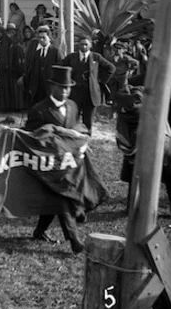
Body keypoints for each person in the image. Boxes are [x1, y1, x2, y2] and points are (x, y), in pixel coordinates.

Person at [23, 66, 86, 254]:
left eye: (68, 87)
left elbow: (77, 126)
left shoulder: (73, 106)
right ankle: (74, 239)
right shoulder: (39, 110)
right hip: (47, 166)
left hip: (69, 163)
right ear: (52, 87)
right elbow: (31, 138)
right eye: (62, 87)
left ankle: (39, 230)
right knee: (60, 198)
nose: (66, 91)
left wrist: (80, 138)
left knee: (57, 199)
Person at [114, 85, 171, 215]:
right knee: (170, 178)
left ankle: (132, 207)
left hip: (143, 150)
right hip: (159, 147)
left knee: (136, 175)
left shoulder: (124, 114)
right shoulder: (149, 111)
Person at [61, 35, 115, 133]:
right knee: (72, 116)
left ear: (90, 45)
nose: (84, 47)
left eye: (86, 44)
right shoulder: (71, 57)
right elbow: (61, 67)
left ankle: (86, 137)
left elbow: (111, 68)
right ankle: (71, 137)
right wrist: (66, 81)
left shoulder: (96, 57)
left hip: (90, 94)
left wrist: (100, 80)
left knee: (88, 118)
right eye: (82, 44)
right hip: (75, 93)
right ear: (78, 45)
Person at [23, 25, 63, 106]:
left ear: (49, 38)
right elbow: (31, 70)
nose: (41, 40)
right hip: (37, 89)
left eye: (43, 37)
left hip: (50, 89)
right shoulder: (36, 53)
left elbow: (60, 70)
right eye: (39, 38)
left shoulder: (56, 52)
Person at [0, 24, 27, 112]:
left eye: (12, 31)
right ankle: (8, 106)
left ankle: (14, 106)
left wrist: (21, 71)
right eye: (9, 31)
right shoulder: (6, 43)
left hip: (12, 71)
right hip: (7, 72)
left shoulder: (16, 45)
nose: (10, 34)